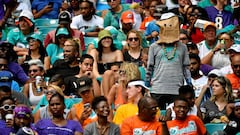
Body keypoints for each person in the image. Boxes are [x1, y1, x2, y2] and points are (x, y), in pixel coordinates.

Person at [145, 12, 191, 110]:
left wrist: (189, 84)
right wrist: (147, 84)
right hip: (158, 89)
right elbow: (150, 67)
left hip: (176, 89)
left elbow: (185, 67)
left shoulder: (182, 47)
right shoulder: (154, 46)